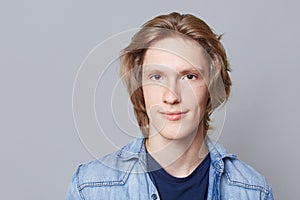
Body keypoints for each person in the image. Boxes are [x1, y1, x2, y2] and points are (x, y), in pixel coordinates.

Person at [66, 12, 273, 200]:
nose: (171, 96)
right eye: (157, 77)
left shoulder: (252, 191)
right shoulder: (90, 188)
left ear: (211, 88)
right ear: (141, 88)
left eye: (189, 76)